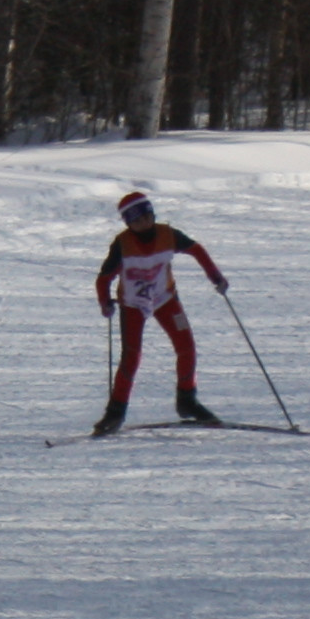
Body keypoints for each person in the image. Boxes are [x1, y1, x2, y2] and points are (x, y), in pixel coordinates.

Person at [91, 187, 229, 437]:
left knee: (186, 346)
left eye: (145, 216)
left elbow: (196, 250)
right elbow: (103, 279)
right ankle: (115, 412)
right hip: (133, 303)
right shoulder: (122, 244)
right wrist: (105, 302)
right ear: (128, 223)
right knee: (131, 357)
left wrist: (215, 277)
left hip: (165, 298)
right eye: (134, 220)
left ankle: (187, 400)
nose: (142, 223)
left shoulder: (168, 235)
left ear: (152, 214)